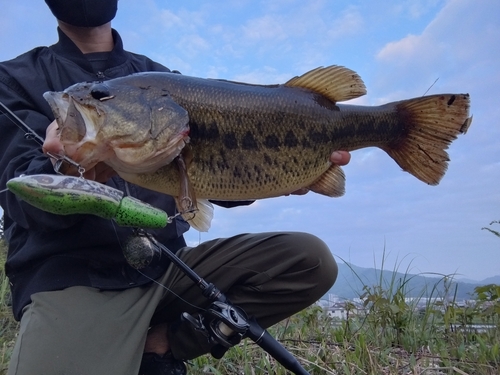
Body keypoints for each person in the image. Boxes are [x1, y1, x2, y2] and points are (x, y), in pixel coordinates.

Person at [0, 1, 351, 374]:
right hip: (75, 277)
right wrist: (70, 169)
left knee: (308, 260)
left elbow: (215, 178)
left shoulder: (161, 77)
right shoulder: (13, 81)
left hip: (171, 267)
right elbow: (19, 200)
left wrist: (282, 173)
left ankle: (163, 343)